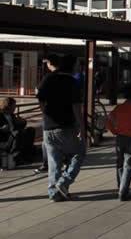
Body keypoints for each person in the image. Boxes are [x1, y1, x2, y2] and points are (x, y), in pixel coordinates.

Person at [37, 54, 85, 202]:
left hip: (48, 127)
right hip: (66, 126)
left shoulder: (48, 78)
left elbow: (40, 99)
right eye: (78, 63)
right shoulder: (72, 82)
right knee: (79, 153)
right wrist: (81, 126)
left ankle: (54, 193)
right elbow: (76, 107)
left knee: (54, 161)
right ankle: (64, 182)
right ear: (72, 65)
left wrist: (46, 114)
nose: (79, 66)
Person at [0, 97, 36, 164]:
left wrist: (23, 121)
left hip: (15, 135)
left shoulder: (11, 115)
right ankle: (15, 156)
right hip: (5, 138)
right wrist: (1, 129)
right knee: (18, 133)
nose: (15, 107)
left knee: (31, 130)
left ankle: (27, 154)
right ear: (8, 106)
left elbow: (19, 126)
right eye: (14, 106)